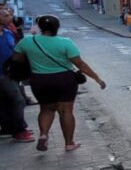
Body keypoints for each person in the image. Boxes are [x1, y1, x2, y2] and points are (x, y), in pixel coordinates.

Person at [9, 14, 105, 152]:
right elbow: (79, 64)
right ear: (57, 27)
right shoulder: (65, 42)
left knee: (46, 109)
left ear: (40, 27)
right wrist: (97, 78)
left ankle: (43, 135)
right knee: (65, 111)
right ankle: (69, 143)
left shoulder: (27, 42)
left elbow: (17, 59)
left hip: (40, 80)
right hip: (64, 80)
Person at [0, 15, 33, 143]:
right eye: (5, 14)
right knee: (18, 100)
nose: (10, 16)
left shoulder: (7, 32)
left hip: (10, 72)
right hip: (2, 74)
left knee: (5, 101)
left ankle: (7, 128)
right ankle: (19, 130)